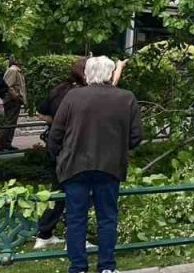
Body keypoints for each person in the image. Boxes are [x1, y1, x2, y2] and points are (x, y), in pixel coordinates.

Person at [47, 56, 143, 273]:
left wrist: (58, 157)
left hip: (74, 165)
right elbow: (136, 137)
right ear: (110, 74)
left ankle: (78, 267)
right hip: (110, 165)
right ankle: (107, 267)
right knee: (107, 218)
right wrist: (118, 146)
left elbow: (56, 133)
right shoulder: (126, 98)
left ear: (88, 74)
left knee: (75, 219)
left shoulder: (73, 97)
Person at [33, 57, 89, 250]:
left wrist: (55, 122)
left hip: (56, 144)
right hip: (73, 146)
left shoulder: (59, 89)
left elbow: (40, 113)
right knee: (77, 191)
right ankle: (73, 236)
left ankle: (45, 233)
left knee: (58, 189)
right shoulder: (82, 94)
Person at [0, 57, 27, 151]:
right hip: (12, 100)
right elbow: (7, 85)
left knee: (12, 122)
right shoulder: (13, 70)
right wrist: (15, 96)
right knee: (9, 121)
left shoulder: (17, 70)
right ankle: (0, 143)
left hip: (15, 100)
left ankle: (7, 143)